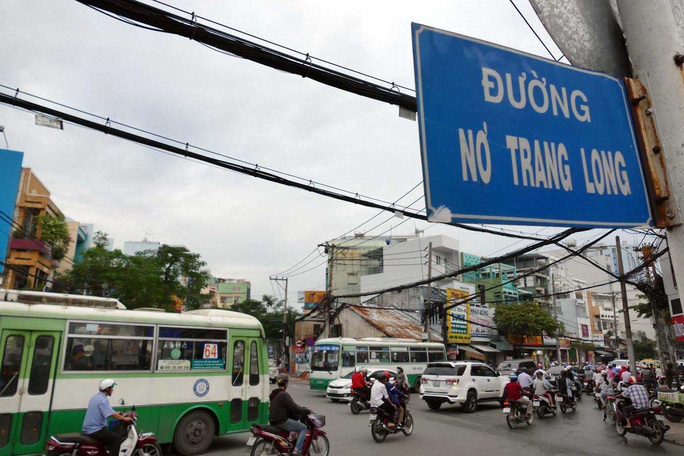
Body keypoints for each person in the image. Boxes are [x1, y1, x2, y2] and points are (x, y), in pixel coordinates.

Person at [82, 379, 133, 456]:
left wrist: (117, 413)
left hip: (90, 429)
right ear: (107, 389)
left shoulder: (96, 397)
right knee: (117, 439)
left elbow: (107, 412)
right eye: (111, 388)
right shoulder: (103, 400)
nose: (112, 390)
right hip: (95, 430)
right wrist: (124, 418)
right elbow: (111, 414)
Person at [269, 377, 309, 456]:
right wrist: (305, 411)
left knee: (293, 422)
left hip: (273, 420)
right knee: (303, 427)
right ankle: (297, 451)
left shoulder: (274, 394)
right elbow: (294, 407)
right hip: (281, 421)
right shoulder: (283, 394)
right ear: (286, 384)